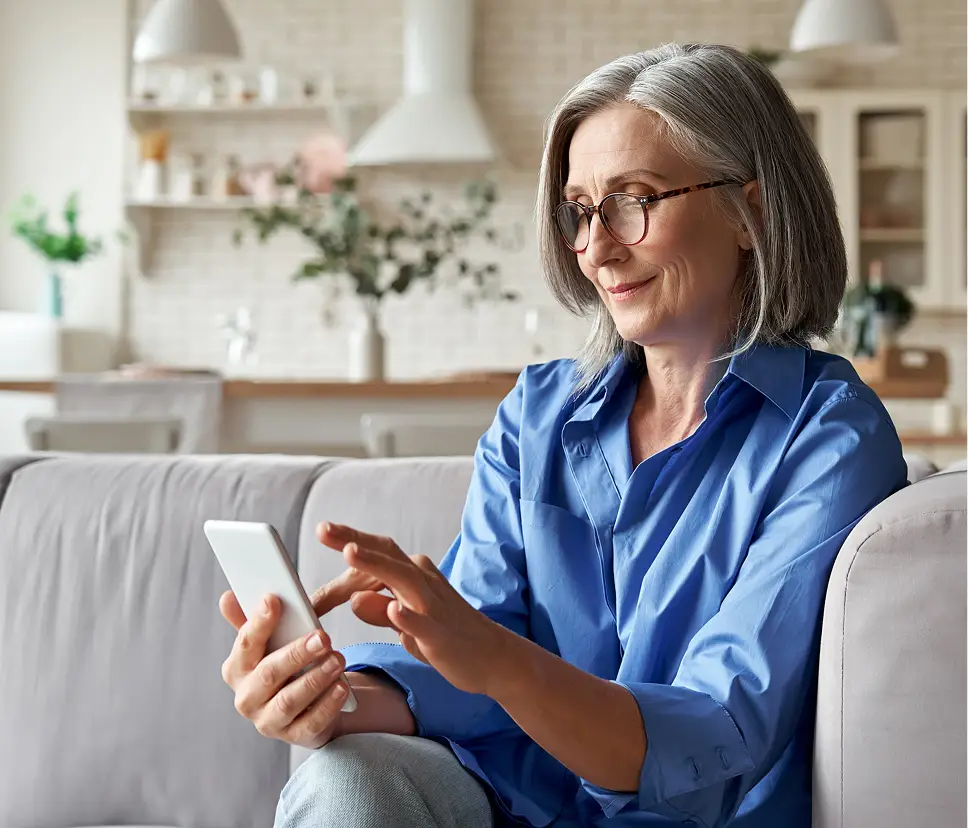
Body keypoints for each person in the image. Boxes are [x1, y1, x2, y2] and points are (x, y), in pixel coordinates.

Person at [218, 42, 907, 828]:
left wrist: (494, 661)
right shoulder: (538, 413)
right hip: (508, 807)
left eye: (632, 199)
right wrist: (325, 698)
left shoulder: (827, 438)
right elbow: (468, 671)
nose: (596, 247)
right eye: (580, 210)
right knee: (346, 777)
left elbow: (716, 738)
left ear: (750, 212)